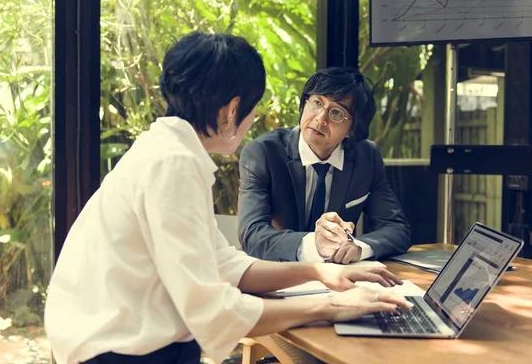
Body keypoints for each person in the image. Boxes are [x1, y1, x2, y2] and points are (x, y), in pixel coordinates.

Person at [44, 33, 411, 364]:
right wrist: (333, 305)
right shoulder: (173, 163)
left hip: (122, 341)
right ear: (232, 110)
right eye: (252, 109)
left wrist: (320, 271)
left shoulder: (167, 150)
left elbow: (224, 264)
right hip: (117, 353)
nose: (253, 120)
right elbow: (212, 309)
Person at [238, 67, 412, 265]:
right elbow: (251, 234)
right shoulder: (263, 153)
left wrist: (358, 247)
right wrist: (314, 245)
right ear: (305, 104)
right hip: (279, 273)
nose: (321, 118)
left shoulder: (366, 157)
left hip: (340, 276)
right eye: (317, 103)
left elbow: (397, 228)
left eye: (336, 112)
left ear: (352, 129)